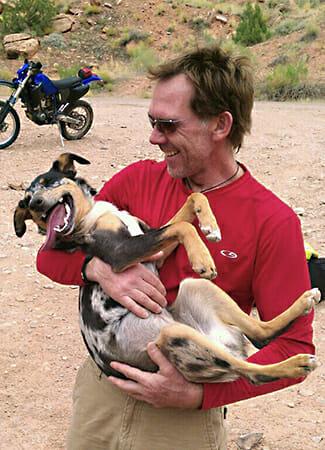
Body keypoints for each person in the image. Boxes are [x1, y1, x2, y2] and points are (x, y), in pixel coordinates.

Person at [37, 46, 314, 450]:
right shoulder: (136, 181)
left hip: (182, 423)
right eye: (152, 122)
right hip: (102, 396)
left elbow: (294, 349)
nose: (153, 137)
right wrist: (97, 269)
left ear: (220, 125)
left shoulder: (273, 221)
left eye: (167, 125)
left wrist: (202, 397)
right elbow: (49, 257)